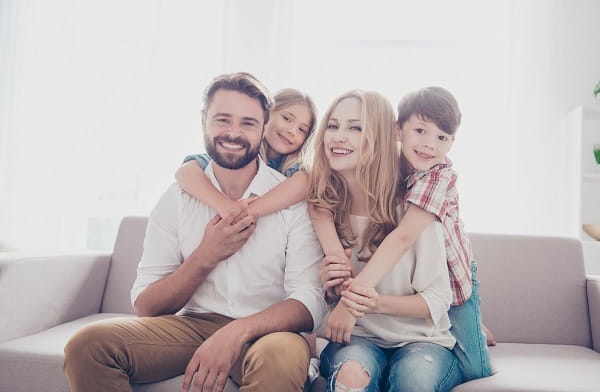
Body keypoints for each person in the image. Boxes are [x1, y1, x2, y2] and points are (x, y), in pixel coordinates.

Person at [63, 72, 327, 392]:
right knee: (88, 344)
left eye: (247, 123)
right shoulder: (178, 196)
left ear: (263, 126)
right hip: (191, 327)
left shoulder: (290, 199)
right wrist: (206, 255)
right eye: (222, 119)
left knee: (280, 359)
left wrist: (237, 332)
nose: (233, 132)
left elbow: (308, 302)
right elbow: (147, 307)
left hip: (268, 334)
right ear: (204, 120)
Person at [330, 86, 492, 382]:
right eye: (420, 131)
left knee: (475, 369)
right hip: (426, 275)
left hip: (456, 272)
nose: (429, 145)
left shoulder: (438, 175)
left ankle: (474, 325)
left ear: (452, 142)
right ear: (397, 131)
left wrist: (350, 300)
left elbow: (403, 236)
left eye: (442, 137)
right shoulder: (391, 167)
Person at [174, 88, 317, 226]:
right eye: (286, 118)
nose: (292, 131)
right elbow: (185, 172)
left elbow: (304, 182)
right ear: (265, 117)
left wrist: (246, 213)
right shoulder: (239, 153)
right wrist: (225, 206)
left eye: (302, 130)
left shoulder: (293, 168)